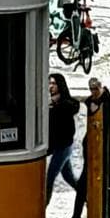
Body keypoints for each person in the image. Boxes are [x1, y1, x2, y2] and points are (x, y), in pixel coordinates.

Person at [56, 76, 110, 218]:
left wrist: (96, 110)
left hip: (107, 157)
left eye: (95, 89)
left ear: (101, 88)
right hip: (92, 155)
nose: (93, 92)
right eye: (91, 90)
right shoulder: (91, 103)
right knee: (81, 189)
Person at [46, 73, 79, 205]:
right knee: (68, 177)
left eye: (54, 83)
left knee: (49, 178)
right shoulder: (52, 103)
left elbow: (65, 129)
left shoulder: (64, 105)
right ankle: (87, 196)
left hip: (63, 146)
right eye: (50, 83)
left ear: (60, 85)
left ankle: (43, 207)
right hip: (61, 146)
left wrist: (53, 107)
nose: (51, 86)